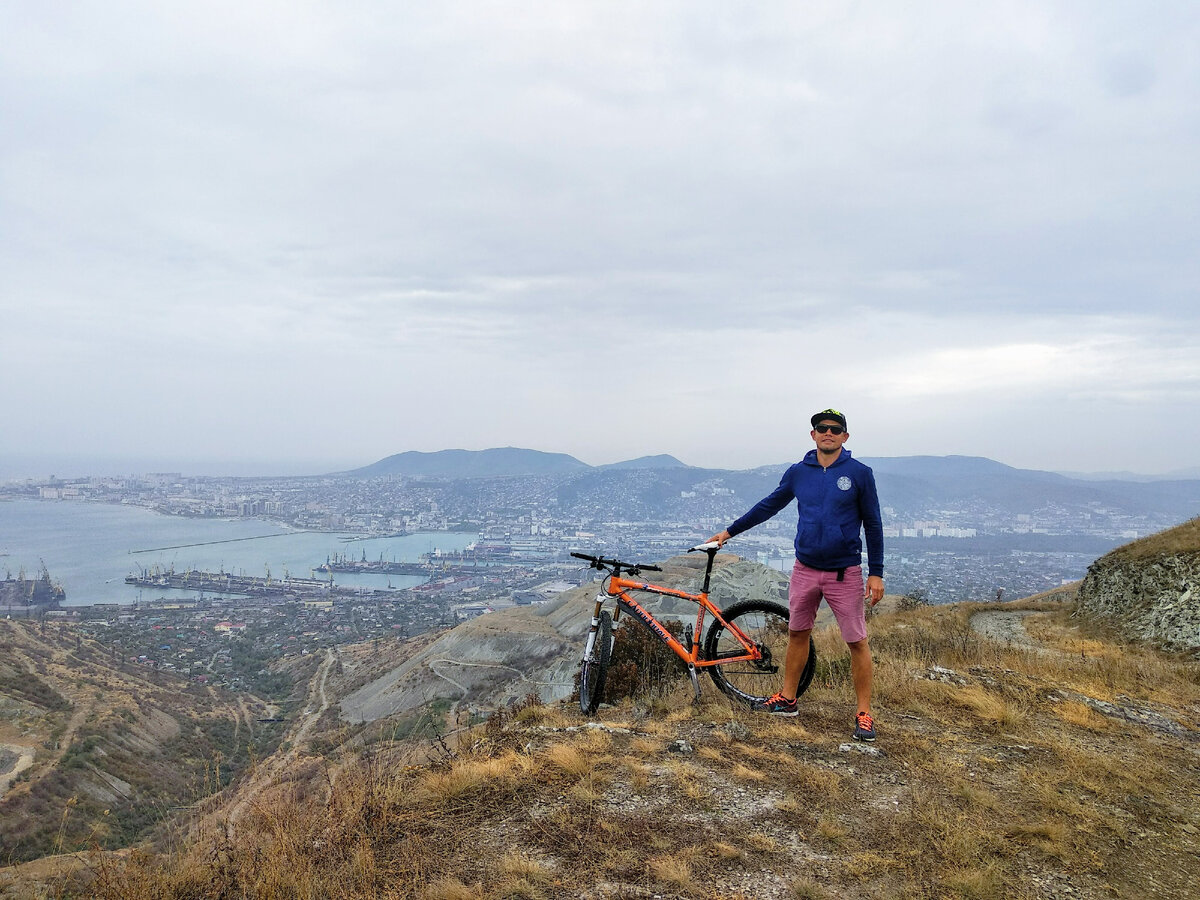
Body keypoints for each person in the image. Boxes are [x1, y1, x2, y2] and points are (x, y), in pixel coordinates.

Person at [709, 408, 884, 741]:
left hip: (843, 572)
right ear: (813, 434)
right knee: (797, 633)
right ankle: (788, 699)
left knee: (856, 641)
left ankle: (864, 713)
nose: (828, 432)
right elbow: (769, 505)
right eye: (822, 427)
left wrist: (876, 572)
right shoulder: (799, 472)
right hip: (805, 568)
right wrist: (729, 532)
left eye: (835, 429)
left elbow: (873, 524)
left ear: (845, 436)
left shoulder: (860, 473)